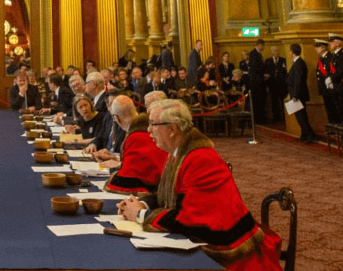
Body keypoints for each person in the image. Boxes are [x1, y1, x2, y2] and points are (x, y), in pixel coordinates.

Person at [119, 99, 281, 271]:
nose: (148, 130)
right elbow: (169, 197)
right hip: (208, 239)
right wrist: (140, 203)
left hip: (229, 254)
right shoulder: (179, 152)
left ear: (172, 129)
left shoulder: (200, 159)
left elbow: (190, 221)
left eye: (153, 124)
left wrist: (140, 214)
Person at [103, 95, 167, 193]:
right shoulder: (145, 131)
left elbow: (130, 179)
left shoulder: (136, 137)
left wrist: (113, 175)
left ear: (116, 118)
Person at [286, 43, 316, 143]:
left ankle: (309, 135)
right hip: (297, 93)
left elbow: (298, 81)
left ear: (292, 52)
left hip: (298, 95)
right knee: (301, 115)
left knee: (301, 116)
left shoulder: (299, 63)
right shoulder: (298, 62)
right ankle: (305, 134)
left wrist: (295, 95)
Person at [314, 38, 338, 123]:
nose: (316, 49)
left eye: (318, 47)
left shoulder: (330, 58)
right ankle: (332, 124)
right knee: (329, 108)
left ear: (323, 48)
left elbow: (331, 71)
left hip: (331, 88)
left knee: (334, 107)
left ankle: (336, 124)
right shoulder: (321, 58)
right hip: (324, 88)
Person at [264, 46, 287, 123]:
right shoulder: (268, 61)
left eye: (277, 50)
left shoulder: (283, 60)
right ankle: (276, 117)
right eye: (275, 51)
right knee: (274, 102)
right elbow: (266, 72)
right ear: (272, 52)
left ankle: (284, 117)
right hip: (272, 85)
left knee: (282, 101)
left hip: (281, 84)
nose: (276, 52)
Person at [248, 39, 267, 124]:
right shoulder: (253, 54)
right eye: (263, 46)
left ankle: (261, 118)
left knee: (261, 100)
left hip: (260, 82)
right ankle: (259, 119)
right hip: (256, 83)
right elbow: (255, 67)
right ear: (260, 45)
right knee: (258, 101)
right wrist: (263, 74)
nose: (264, 47)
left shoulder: (258, 54)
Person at [327, 33, 343, 123]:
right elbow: (331, 69)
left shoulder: (341, 54)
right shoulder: (333, 55)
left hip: (341, 85)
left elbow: (341, 70)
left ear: (337, 43)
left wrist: (331, 78)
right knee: (337, 109)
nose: (330, 44)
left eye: (332, 42)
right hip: (335, 86)